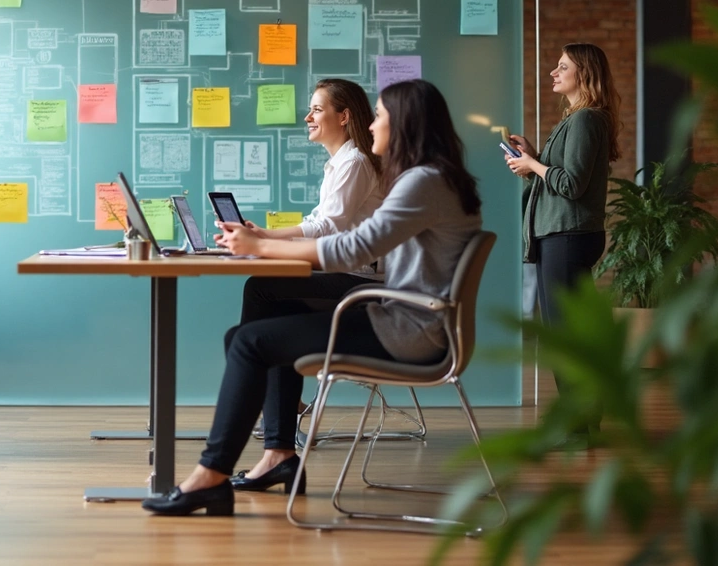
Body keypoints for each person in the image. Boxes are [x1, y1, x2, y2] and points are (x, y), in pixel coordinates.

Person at [142, 80, 482, 516]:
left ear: (405, 124)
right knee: (252, 334)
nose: (371, 124)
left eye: (379, 115)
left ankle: (212, 476)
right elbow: (354, 239)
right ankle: (277, 455)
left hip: (407, 330)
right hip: (408, 320)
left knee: (247, 342)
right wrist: (262, 243)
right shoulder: (437, 179)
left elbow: (352, 248)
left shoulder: (422, 182)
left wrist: (261, 246)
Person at [227, 78, 384, 484]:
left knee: (259, 292)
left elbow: (326, 226)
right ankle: (279, 436)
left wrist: (263, 239)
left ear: (344, 116)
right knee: (266, 317)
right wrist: (263, 236)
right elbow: (321, 224)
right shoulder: (342, 162)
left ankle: (263, 387)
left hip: (358, 285)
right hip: (346, 277)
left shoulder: (355, 162)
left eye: (316, 109)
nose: (307, 116)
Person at [505, 42, 620, 439]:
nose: (553, 73)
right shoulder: (578, 119)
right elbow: (566, 175)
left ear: (583, 74)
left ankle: (580, 424)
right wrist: (534, 158)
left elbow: (571, 184)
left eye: (562, 67)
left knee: (565, 336)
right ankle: (583, 420)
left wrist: (534, 164)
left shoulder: (587, 119)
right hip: (562, 235)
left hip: (568, 236)